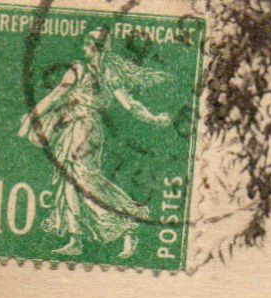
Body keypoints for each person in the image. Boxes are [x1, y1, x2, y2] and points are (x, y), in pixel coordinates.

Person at [17, 26, 172, 258]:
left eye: (89, 43)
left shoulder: (104, 73)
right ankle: (75, 238)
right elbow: (56, 96)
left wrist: (154, 118)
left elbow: (128, 104)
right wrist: (34, 115)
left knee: (85, 180)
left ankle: (128, 221)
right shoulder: (83, 70)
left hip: (87, 129)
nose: (85, 47)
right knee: (69, 181)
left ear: (96, 46)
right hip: (71, 127)